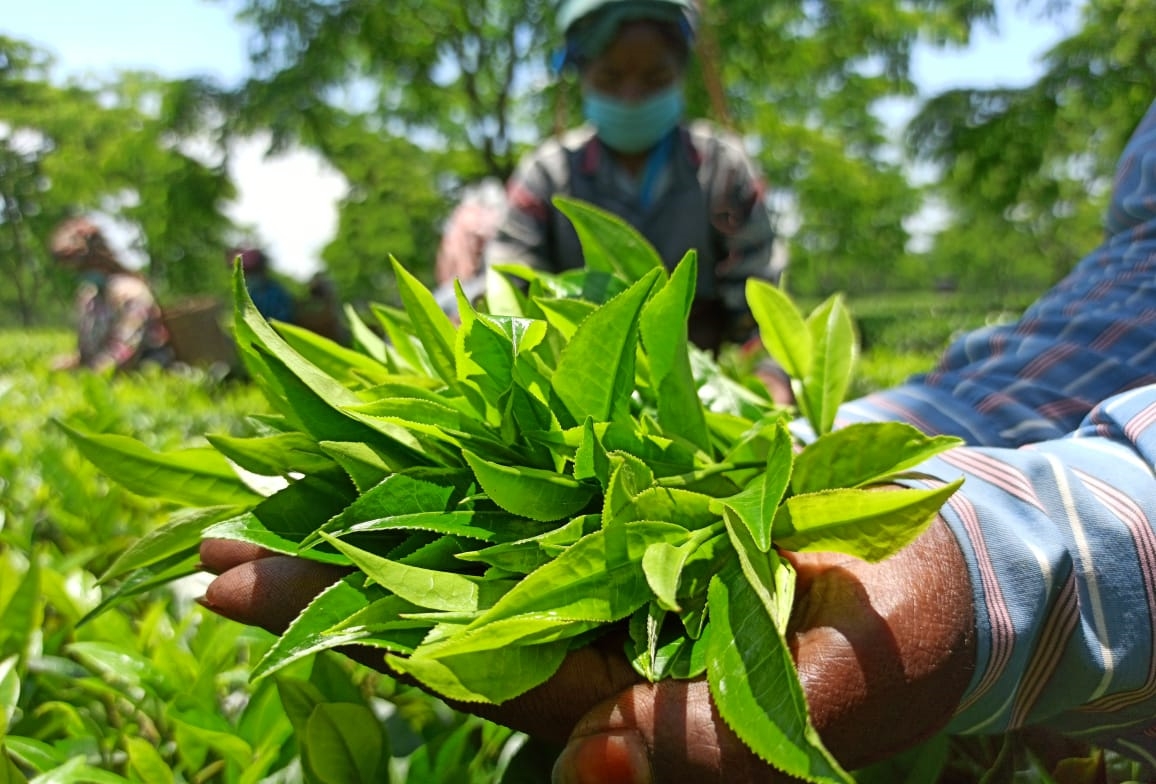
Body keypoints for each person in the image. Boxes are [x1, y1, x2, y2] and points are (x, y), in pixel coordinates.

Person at [199, 104, 1156, 781]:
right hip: (616, 374)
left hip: (690, 362)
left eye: (650, 51)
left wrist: (1019, 561)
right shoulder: (546, 178)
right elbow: (508, 304)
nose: (631, 75)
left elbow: (751, 308)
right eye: (611, 55)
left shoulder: (720, 169)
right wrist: (843, 446)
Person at [485, 0, 784, 357]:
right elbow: (506, 294)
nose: (631, 97)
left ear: (680, 74)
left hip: (701, 394)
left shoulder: (722, 168)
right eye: (610, 78)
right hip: (577, 395)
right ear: (581, 75)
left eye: (655, 78)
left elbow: (762, 307)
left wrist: (768, 378)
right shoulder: (548, 174)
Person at [48, 216, 172, 373]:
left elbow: (126, 348)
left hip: (142, 375)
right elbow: (88, 350)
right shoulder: (89, 297)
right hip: (103, 376)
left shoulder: (130, 292)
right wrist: (74, 362)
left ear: (96, 257)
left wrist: (93, 373)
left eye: (77, 265)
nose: (74, 272)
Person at [228, 247, 296, 324]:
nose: (249, 277)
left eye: (251, 272)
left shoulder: (276, 294)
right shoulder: (251, 292)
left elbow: (283, 320)